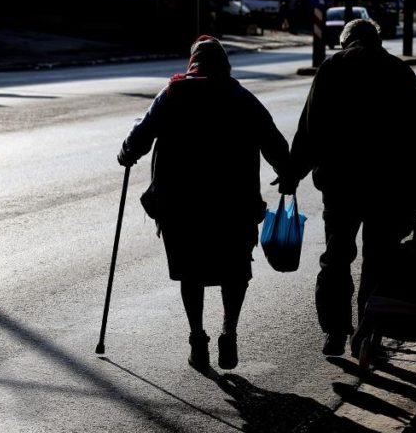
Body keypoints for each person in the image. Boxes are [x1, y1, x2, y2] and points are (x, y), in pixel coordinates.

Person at [117, 35, 290, 372]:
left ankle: (198, 339)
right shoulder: (241, 97)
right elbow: (274, 142)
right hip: (234, 205)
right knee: (235, 269)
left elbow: (142, 134)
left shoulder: (172, 93)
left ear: (192, 63)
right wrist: (288, 173)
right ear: (225, 65)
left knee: (190, 272)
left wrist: (127, 153)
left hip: (181, 206)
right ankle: (229, 333)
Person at [283, 18, 416, 358]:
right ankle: (367, 332)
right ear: (378, 40)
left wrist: (292, 172)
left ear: (346, 41)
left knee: (336, 258)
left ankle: (335, 332)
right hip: (391, 186)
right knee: (378, 259)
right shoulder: (400, 72)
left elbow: (310, 126)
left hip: (341, 184)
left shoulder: (333, 68)